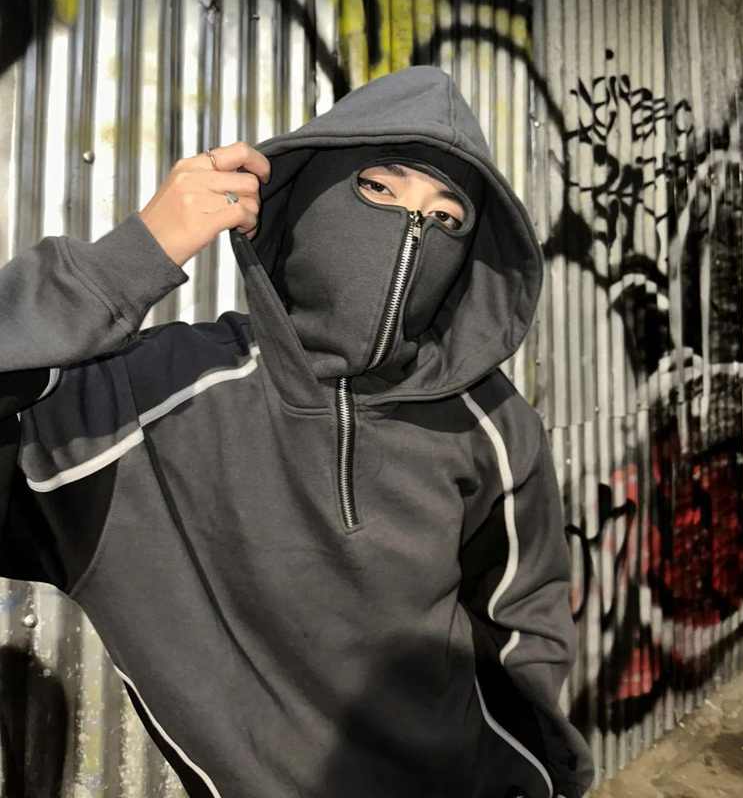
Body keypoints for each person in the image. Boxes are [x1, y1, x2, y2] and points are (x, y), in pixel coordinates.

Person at [0, 65, 595, 798]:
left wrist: (539, 780)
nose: (412, 234)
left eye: (446, 219)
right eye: (378, 188)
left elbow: (522, 627)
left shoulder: (491, 422)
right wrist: (132, 258)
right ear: (307, 193)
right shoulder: (141, 400)